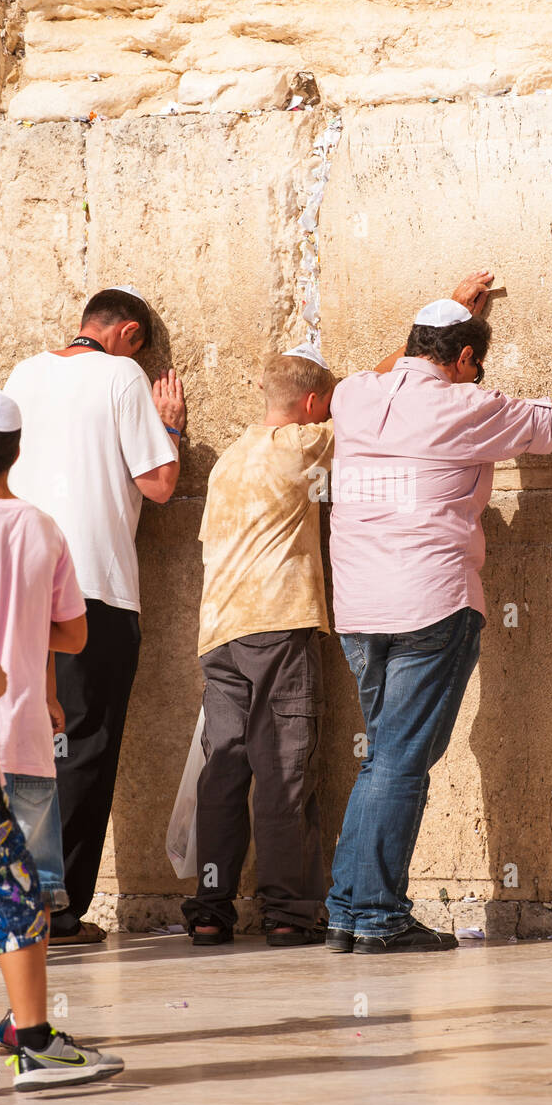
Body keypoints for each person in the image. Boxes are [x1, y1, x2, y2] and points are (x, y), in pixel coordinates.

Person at [325, 283, 552, 953]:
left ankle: (348, 910)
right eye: (473, 358)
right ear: (467, 358)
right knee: (397, 764)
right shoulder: (465, 406)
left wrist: (450, 314)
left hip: (358, 607)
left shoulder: (353, 395)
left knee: (382, 759)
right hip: (430, 601)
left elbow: (398, 364)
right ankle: (377, 916)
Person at [0, 407, 123, 1095]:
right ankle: (31, 1033)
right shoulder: (36, 528)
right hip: (10, 737)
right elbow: (73, 634)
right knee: (24, 888)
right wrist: (9, 655)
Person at [3, 287, 185, 945]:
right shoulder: (121, 376)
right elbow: (159, 485)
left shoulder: (24, 373)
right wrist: (169, 426)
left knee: (26, 746)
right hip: (93, 587)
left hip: (20, 586)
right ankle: (56, 909)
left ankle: (12, 900)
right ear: (128, 334)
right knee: (84, 746)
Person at [182, 346, 337, 947]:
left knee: (225, 769)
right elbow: (378, 394)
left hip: (219, 633)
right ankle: (287, 911)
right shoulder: (302, 445)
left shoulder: (230, 458)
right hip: (276, 625)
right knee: (283, 769)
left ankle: (209, 908)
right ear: (309, 404)